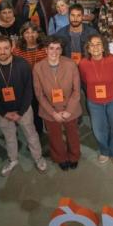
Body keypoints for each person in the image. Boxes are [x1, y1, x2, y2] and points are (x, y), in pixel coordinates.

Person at [0, 36, 46, 176]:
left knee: (31, 134)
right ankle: (13, 160)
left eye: (6, 48)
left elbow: (29, 90)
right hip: (2, 112)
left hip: (24, 109)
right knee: (9, 137)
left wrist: (20, 112)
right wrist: (3, 112)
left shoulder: (22, 64)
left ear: (12, 48)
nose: (2, 51)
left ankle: (38, 158)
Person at [33, 37, 82, 171]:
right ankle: (60, 158)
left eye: (57, 48)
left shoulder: (71, 64)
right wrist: (53, 113)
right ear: (46, 50)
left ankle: (74, 156)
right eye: (51, 48)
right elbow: (39, 94)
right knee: (55, 136)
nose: (54, 52)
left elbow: (76, 90)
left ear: (61, 50)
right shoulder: (38, 67)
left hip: (70, 108)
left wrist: (69, 111)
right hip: (49, 109)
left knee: (73, 134)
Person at [78, 34, 113, 166]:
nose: (95, 47)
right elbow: (84, 80)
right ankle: (104, 151)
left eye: (98, 44)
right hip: (94, 102)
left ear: (104, 46)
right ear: (87, 48)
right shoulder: (83, 64)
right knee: (99, 129)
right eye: (92, 45)